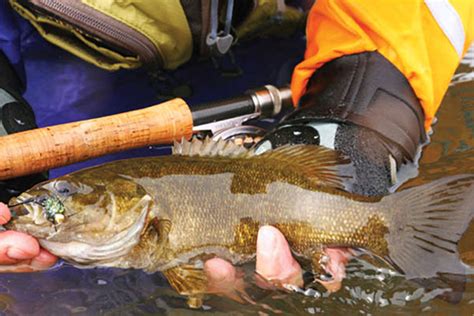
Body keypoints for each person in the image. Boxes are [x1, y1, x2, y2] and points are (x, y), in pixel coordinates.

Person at [0, 0, 472, 299]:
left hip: (310, 42)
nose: (55, 208)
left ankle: (407, 237)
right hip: (60, 50)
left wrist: (358, 122)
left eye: (64, 198)